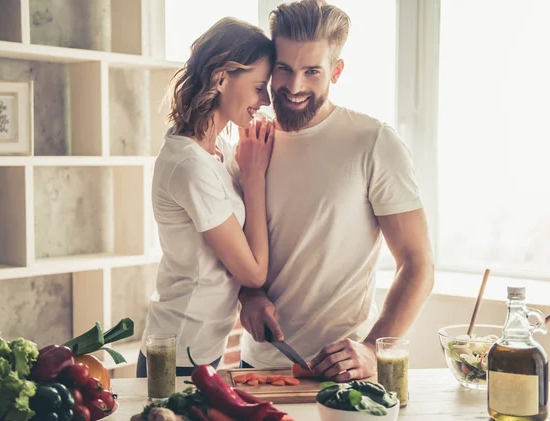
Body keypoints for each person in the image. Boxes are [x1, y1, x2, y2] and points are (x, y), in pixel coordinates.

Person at [237, 0, 435, 381]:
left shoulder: (373, 142)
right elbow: (239, 251)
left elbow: (418, 264)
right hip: (259, 367)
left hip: (342, 371)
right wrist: (250, 295)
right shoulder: (250, 143)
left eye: (312, 71)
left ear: (337, 71)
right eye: (284, 68)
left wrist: (373, 350)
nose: (295, 86)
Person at [137, 17, 276, 377]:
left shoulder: (222, 150)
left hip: (202, 350)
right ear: (221, 78)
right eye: (259, 86)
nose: (265, 100)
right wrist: (254, 175)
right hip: (176, 354)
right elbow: (253, 272)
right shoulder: (189, 165)